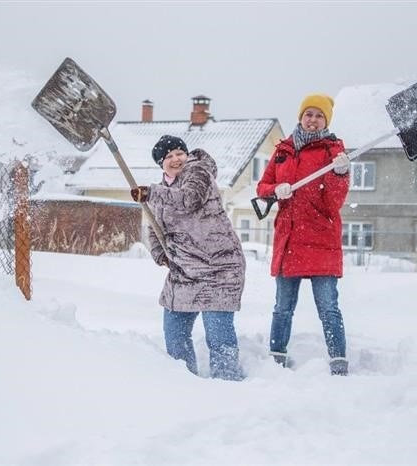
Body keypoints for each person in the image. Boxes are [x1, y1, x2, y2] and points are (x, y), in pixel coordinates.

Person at [130, 135, 246, 381]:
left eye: (179, 153)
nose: (175, 159)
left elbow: (189, 199)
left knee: (218, 336)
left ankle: (229, 386)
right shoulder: (161, 191)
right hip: (184, 271)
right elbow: (152, 226)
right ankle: (184, 385)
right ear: (161, 164)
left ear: (187, 154)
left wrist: (151, 193)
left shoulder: (198, 171)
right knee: (175, 334)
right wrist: (160, 255)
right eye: (168, 157)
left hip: (219, 267)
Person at [256, 94, 351, 375]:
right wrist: (276, 190)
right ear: (300, 117)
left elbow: (335, 201)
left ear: (326, 121)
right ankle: (276, 359)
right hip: (289, 240)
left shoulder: (334, 152)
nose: (312, 119)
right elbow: (262, 186)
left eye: (318, 115)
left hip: (322, 239)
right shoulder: (284, 150)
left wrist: (340, 174)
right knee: (282, 308)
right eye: (308, 114)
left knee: (328, 308)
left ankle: (338, 362)